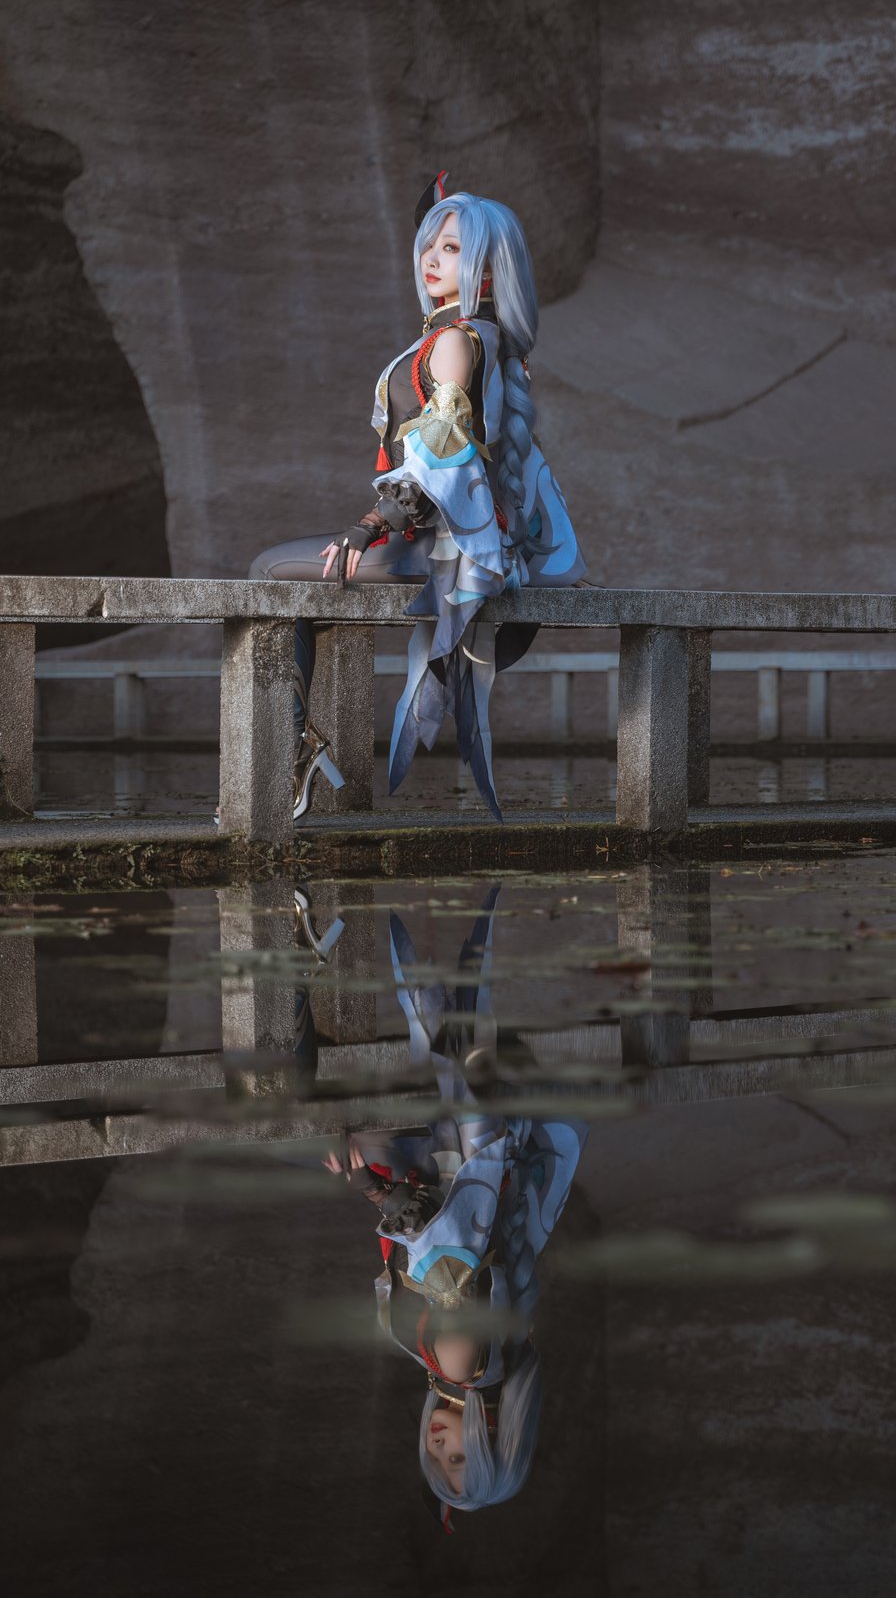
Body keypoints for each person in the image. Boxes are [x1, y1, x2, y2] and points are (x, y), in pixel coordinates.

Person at [249, 173, 587, 821]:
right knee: (301, 584)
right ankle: (299, 746)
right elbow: (518, 465)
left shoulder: (457, 342)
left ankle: (290, 754)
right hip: (441, 541)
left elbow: (443, 459)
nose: (433, 258)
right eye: (430, 244)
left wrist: (369, 524)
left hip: (431, 547)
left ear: (485, 266)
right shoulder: (483, 339)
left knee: (266, 570)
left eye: (452, 248)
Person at [322, 888, 588, 1524]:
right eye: (461, 1457)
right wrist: (375, 1192)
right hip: (450, 1174)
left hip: (467, 1178)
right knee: (433, 1027)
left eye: (437, 1459)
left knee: (456, 1019)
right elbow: (449, 1264)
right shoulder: (463, 1365)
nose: (441, 1446)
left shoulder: (499, 1360)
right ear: (493, 1435)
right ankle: (366, 910)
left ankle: (401, 919)